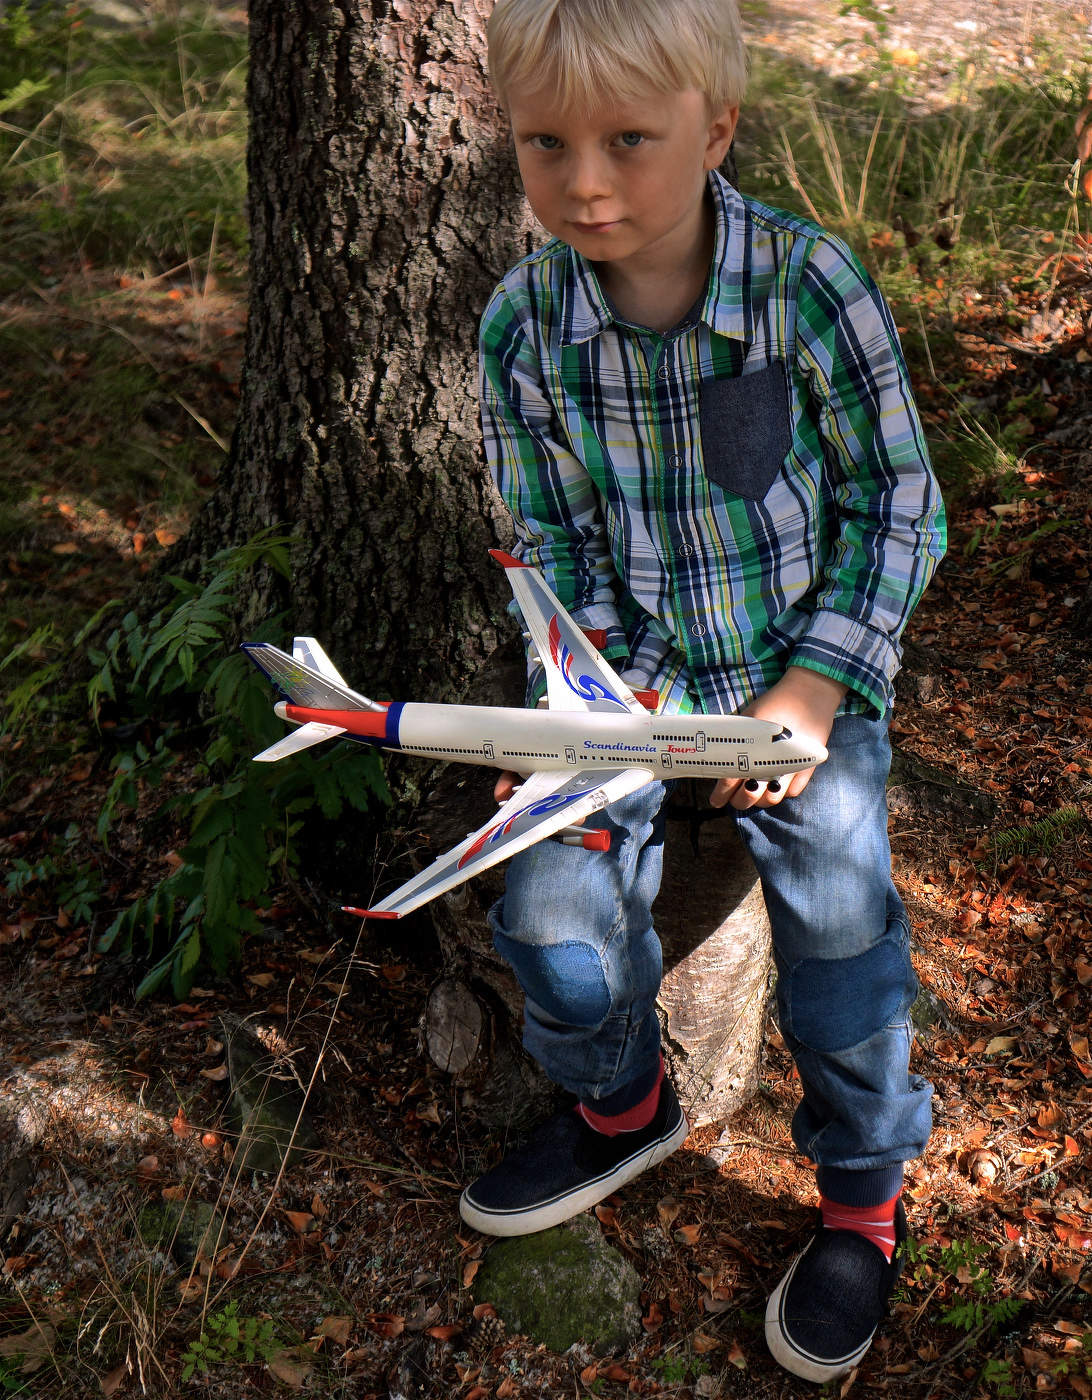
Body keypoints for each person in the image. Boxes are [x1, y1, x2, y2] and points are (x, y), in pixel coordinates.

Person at [463, 0, 947, 1383]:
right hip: (631, 691)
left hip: (802, 679)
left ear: (717, 128)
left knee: (843, 935)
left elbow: (901, 505)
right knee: (548, 923)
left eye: (629, 138)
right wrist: (579, 708)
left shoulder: (806, 288)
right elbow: (547, 542)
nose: (587, 182)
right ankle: (624, 1107)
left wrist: (813, 692)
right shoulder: (524, 326)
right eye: (547, 143)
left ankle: (862, 1191)